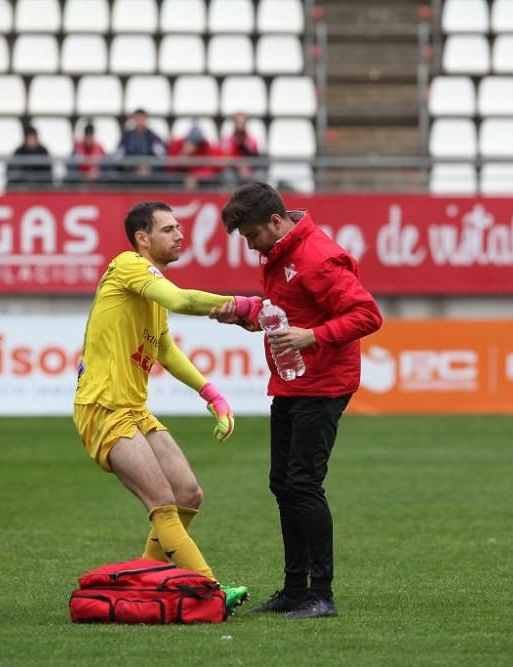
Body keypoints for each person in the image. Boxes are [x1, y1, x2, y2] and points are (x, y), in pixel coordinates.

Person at [73, 201, 262, 613]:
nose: (180, 235)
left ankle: (145, 574)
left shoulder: (152, 290)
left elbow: (165, 350)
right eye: (168, 229)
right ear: (143, 238)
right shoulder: (128, 266)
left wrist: (212, 394)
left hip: (134, 409)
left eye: (179, 228)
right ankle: (210, 589)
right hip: (103, 406)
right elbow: (182, 301)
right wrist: (242, 304)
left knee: (188, 494)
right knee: (161, 499)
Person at [211, 182, 383, 620]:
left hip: (324, 383)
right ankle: (293, 589)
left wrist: (312, 336)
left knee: (304, 483)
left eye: (253, 236)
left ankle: (321, 594)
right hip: (291, 381)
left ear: (275, 221)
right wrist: (248, 314)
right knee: (283, 484)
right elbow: (284, 310)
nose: (252, 247)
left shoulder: (318, 258)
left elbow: (367, 314)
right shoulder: (279, 255)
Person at [116, 108, 168, 180]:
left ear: (146, 120)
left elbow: (161, 156)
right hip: (130, 174)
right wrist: (133, 167)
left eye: (142, 119)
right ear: (133, 120)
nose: (140, 122)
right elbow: (119, 157)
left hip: (150, 175)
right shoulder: (126, 138)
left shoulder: (153, 138)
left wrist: (149, 167)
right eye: (137, 119)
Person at [167, 124, 222, 191]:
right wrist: (183, 154)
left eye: (197, 142)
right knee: (171, 181)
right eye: (193, 141)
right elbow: (170, 169)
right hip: (180, 177)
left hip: (199, 178)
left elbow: (211, 167)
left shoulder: (205, 145)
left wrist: (195, 176)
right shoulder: (177, 144)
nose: (196, 144)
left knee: (211, 182)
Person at [6, 125, 52, 189]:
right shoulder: (19, 151)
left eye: (32, 138)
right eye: (29, 138)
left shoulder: (43, 151)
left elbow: (47, 171)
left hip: (39, 185)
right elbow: (11, 169)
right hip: (22, 185)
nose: (31, 140)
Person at [219, 112, 260, 184]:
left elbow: (255, 158)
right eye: (238, 121)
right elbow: (226, 158)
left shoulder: (252, 140)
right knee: (228, 175)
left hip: (249, 170)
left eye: (242, 121)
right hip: (233, 169)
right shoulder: (227, 140)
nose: (240, 124)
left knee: (259, 176)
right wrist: (238, 166)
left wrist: (247, 168)